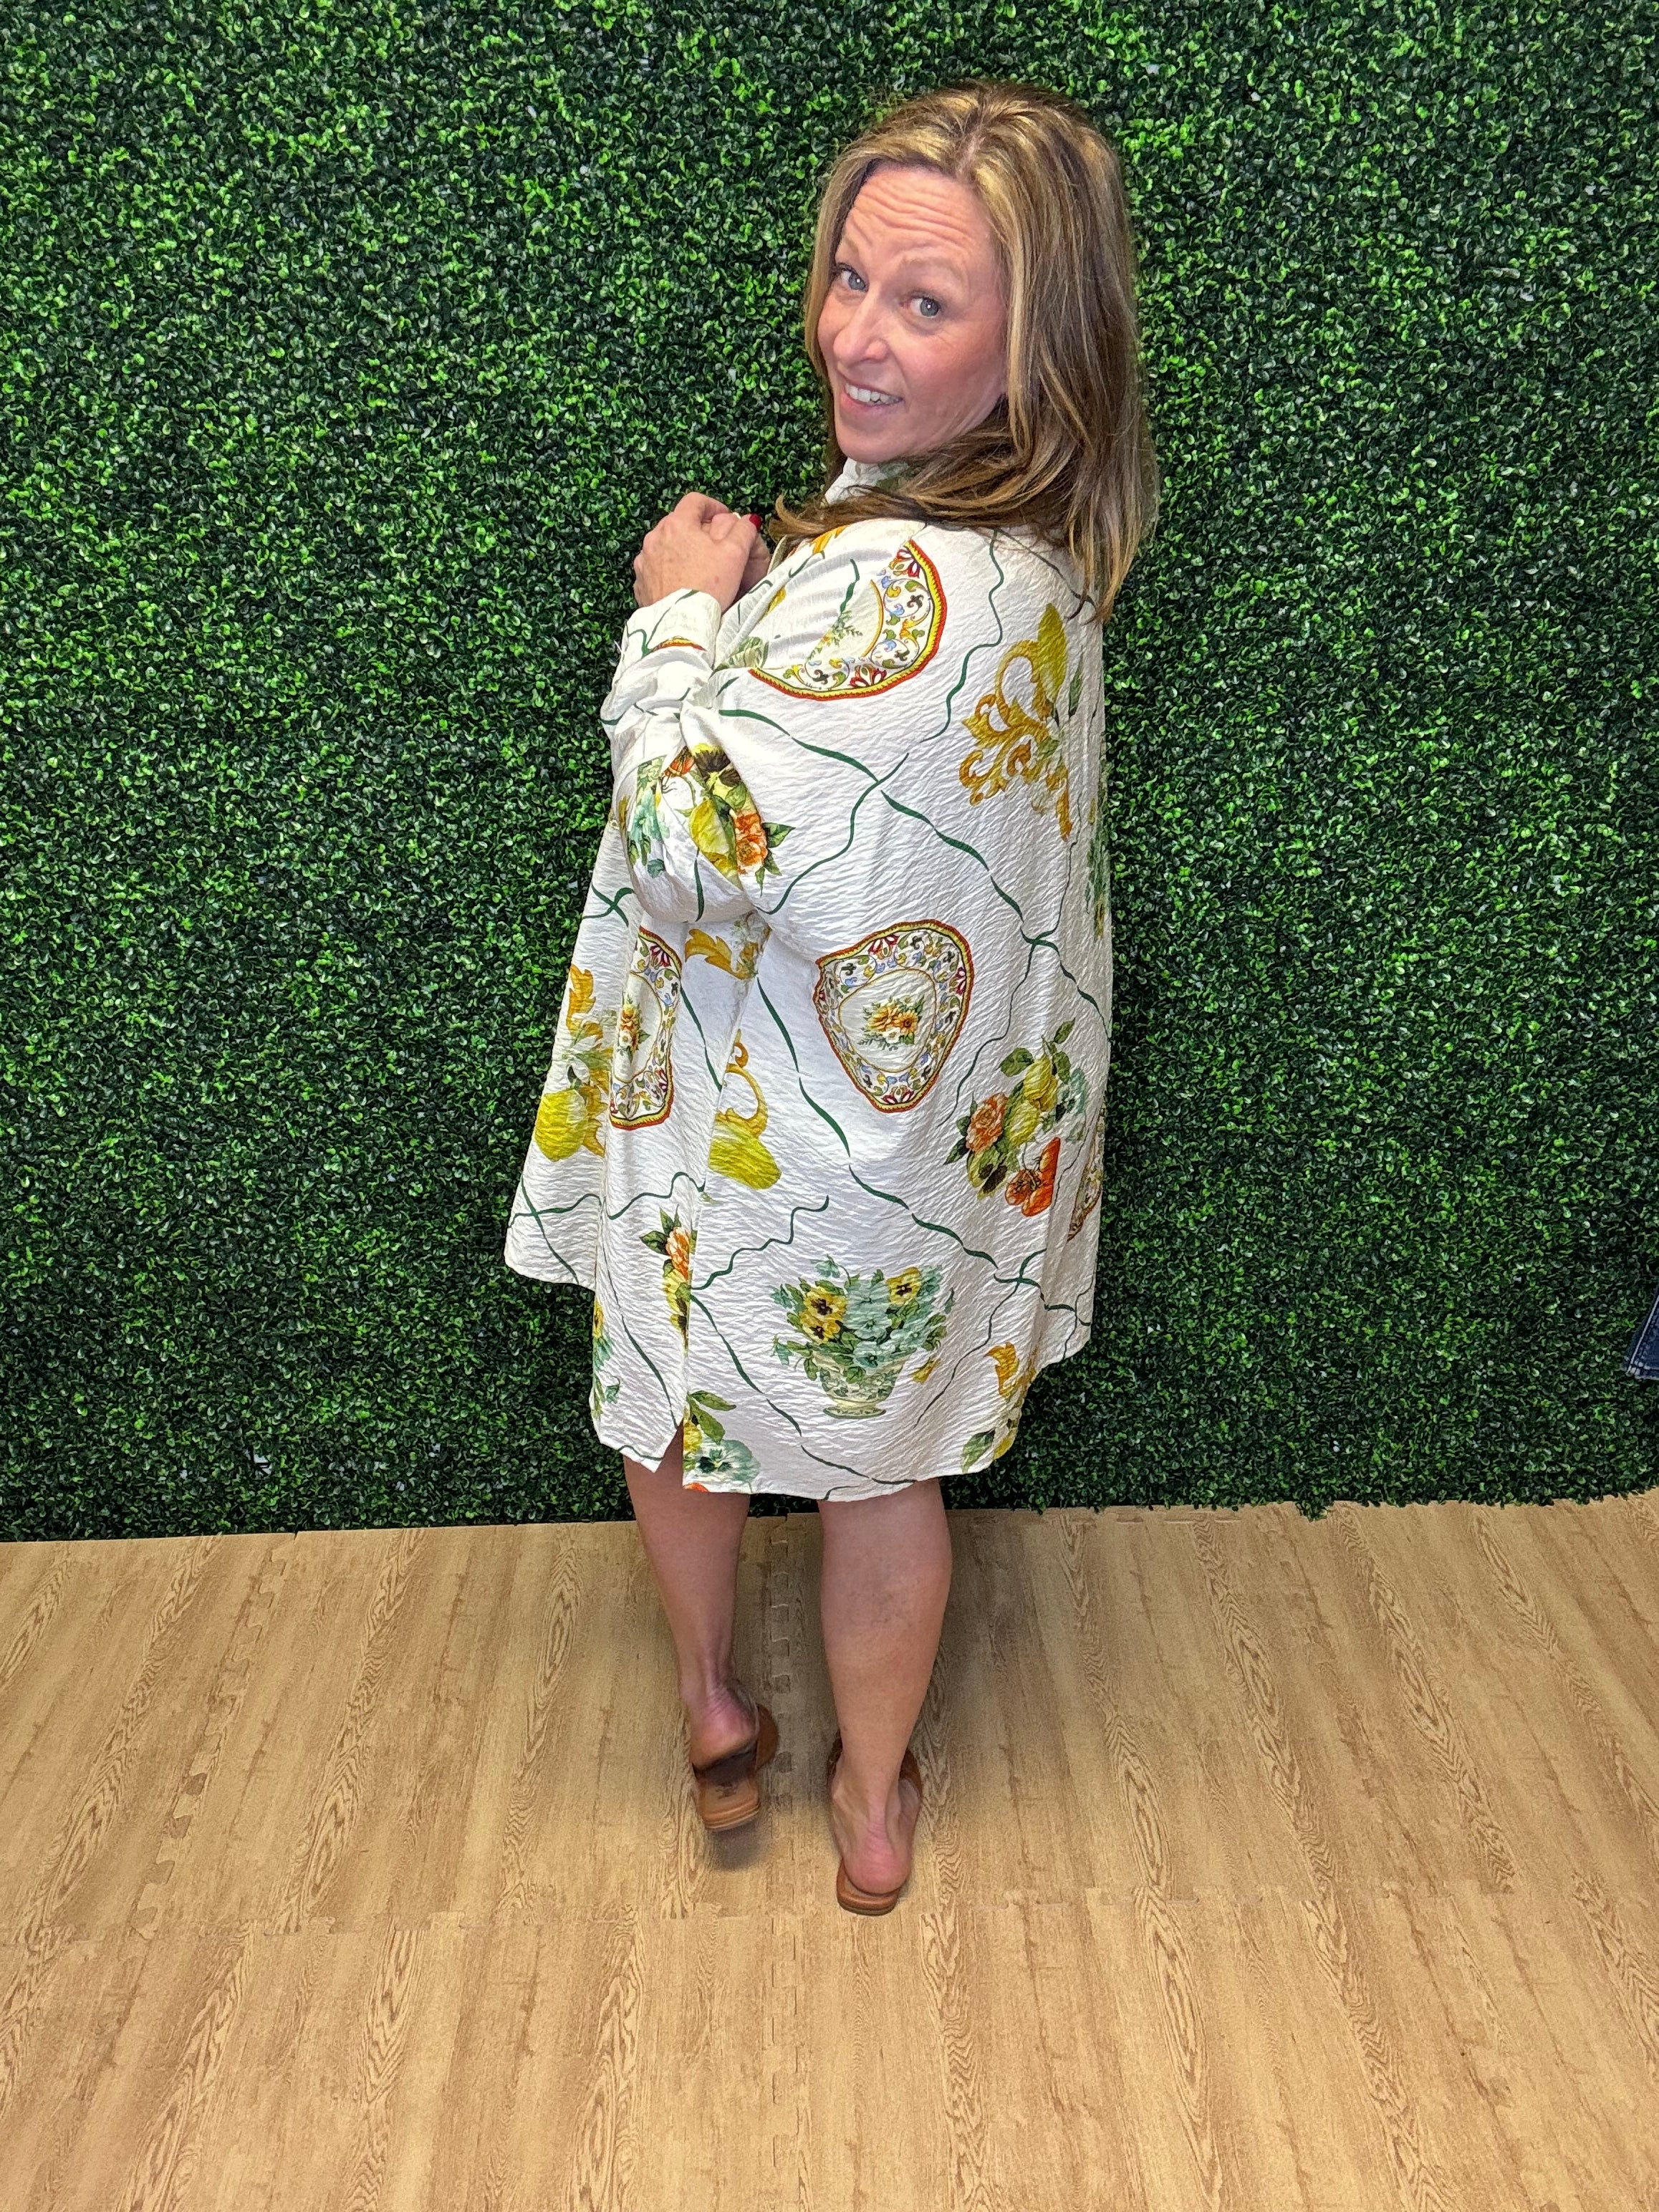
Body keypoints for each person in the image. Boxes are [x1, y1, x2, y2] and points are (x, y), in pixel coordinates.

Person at [505, 77, 1160, 1912]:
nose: (855, 336)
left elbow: (694, 846)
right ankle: (873, 1810)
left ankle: (717, 1707)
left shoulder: (900, 587)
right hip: (922, 1136)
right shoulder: (1043, 560)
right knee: (884, 1474)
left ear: (1039, 346)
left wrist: (679, 612)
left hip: (747, 1119)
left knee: (678, 1407)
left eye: (924, 302)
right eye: (850, 278)